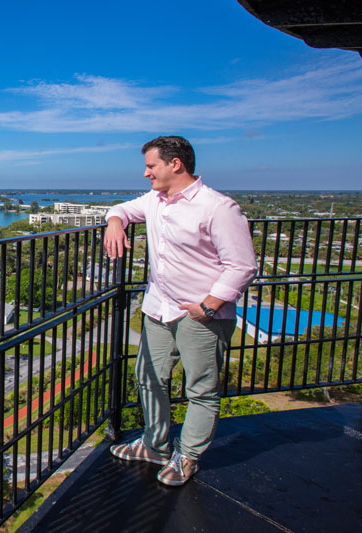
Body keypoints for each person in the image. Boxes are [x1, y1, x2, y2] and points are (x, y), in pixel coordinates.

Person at [103, 136, 256, 486]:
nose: (145, 174)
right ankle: (155, 445)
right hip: (159, 306)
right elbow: (122, 209)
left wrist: (209, 304)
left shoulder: (217, 207)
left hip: (201, 313)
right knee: (149, 377)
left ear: (176, 164)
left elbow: (242, 266)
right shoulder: (156, 201)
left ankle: (188, 456)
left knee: (201, 389)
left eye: (151, 166)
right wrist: (114, 221)